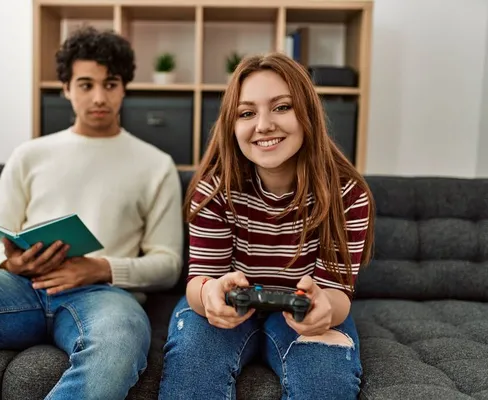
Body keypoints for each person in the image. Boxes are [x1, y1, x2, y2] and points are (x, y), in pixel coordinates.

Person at [0, 27, 183, 400]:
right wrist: (9, 263)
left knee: (119, 340)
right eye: (85, 84)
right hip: (20, 288)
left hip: (102, 294)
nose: (98, 97)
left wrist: (101, 267)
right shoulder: (30, 155)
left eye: (110, 84)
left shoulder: (156, 165)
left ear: (124, 88)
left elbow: (168, 264)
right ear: (65, 88)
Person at [158, 52, 375, 400]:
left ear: (308, 114)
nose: (263, 125)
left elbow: (337, 293)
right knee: (192, 377)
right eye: (247, 113)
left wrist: (324, 310)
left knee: (325, 386)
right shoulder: (213, 190)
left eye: (282, 107)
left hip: (302, 310)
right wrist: (209, 295)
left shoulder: (347, 193)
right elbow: (201, 278)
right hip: (228, 307)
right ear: (232, 125)